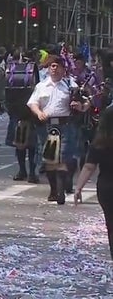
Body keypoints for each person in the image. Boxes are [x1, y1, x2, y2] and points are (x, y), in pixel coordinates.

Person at [27, 55, 89, 204]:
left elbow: (86, 102)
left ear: (63, 69)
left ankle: (61, 191)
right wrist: (39, 112)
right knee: (49, 158)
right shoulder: (41, 86)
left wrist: (81, 107)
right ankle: (53, 190)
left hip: (65, 124)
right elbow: (32, 103)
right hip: (46, 125)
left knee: (63, 157)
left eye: (57, 66)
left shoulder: (70, 84)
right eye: (52, 66)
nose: (54, 69)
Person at [74, 106, 113, 259]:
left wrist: (78, 188)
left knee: (110, 222)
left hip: (107, 188)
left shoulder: (99, 143)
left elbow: (89, 167)